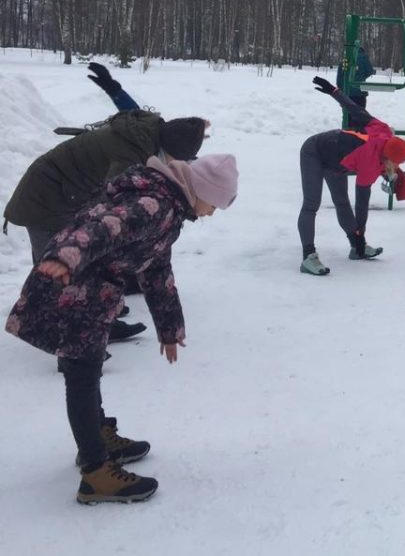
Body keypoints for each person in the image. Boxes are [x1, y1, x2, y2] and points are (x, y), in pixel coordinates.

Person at [5, 153, 239, 504]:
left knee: (87, 368)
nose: (212, 212)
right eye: (216, 204)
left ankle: (96, 436)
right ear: (203, 190)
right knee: (81, 374)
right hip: (74, 286)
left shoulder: (166, 207)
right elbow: (98, 228)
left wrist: (169, 329)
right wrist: (65, 256)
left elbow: (156, 270)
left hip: (91, 293)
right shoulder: (153, 205)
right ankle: (95, 472)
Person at [3, 63, 210, 342]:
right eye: (176, 161)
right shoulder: (131, 154)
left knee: (89, 256)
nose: (176, 167)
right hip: (45, 199)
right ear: (168, 151)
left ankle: (99, 310)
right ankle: (74, 336)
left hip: (65, 191)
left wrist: (114, 88)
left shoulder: (150, 129)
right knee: (63, 265)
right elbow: (113, 207)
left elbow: (131, 109)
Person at [298, 76, 405, 276]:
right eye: (397, 164)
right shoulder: (370, 161)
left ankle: (355, 248)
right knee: (311, 204)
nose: (397, 167)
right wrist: (361, 231)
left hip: (336, 162)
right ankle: (308, 256)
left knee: (342, 201)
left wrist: (334, 91)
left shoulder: (383, 130)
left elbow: (355, 109)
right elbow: (362, 203)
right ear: (389, 159)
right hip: (314, 151)